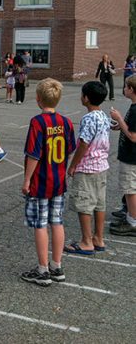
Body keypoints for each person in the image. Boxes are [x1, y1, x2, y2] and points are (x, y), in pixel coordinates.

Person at [20, 78, 76, 286]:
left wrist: (26, 180)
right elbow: (69, 149)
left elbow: (34, 154)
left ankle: (43, 269)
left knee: (40, 224)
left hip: (41, 182)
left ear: (38, 99)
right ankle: (56, 265)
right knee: (57, 222)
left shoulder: (38, 122)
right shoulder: (66, 122)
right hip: (58, 181)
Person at [65, 81, 110, 254]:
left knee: (84, 203)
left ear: (86, 98)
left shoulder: (88, 118)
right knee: (99, 203)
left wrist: (72, 165)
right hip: (102, 165)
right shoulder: (103, 115)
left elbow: (83, 143)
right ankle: (98, 237)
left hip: (87, 167)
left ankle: (86, 241)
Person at [108, 74, 136, 236]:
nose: (124, 89)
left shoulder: (135, 110)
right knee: (130, 189)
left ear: (131, 90)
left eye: (126, 87)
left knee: (130, 189)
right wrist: (120, 125)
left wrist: (119, 118)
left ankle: (133, 222)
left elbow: (133, 136)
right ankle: (130, 216)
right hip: (130, 157)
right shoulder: (133, 107)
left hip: (131, 157)